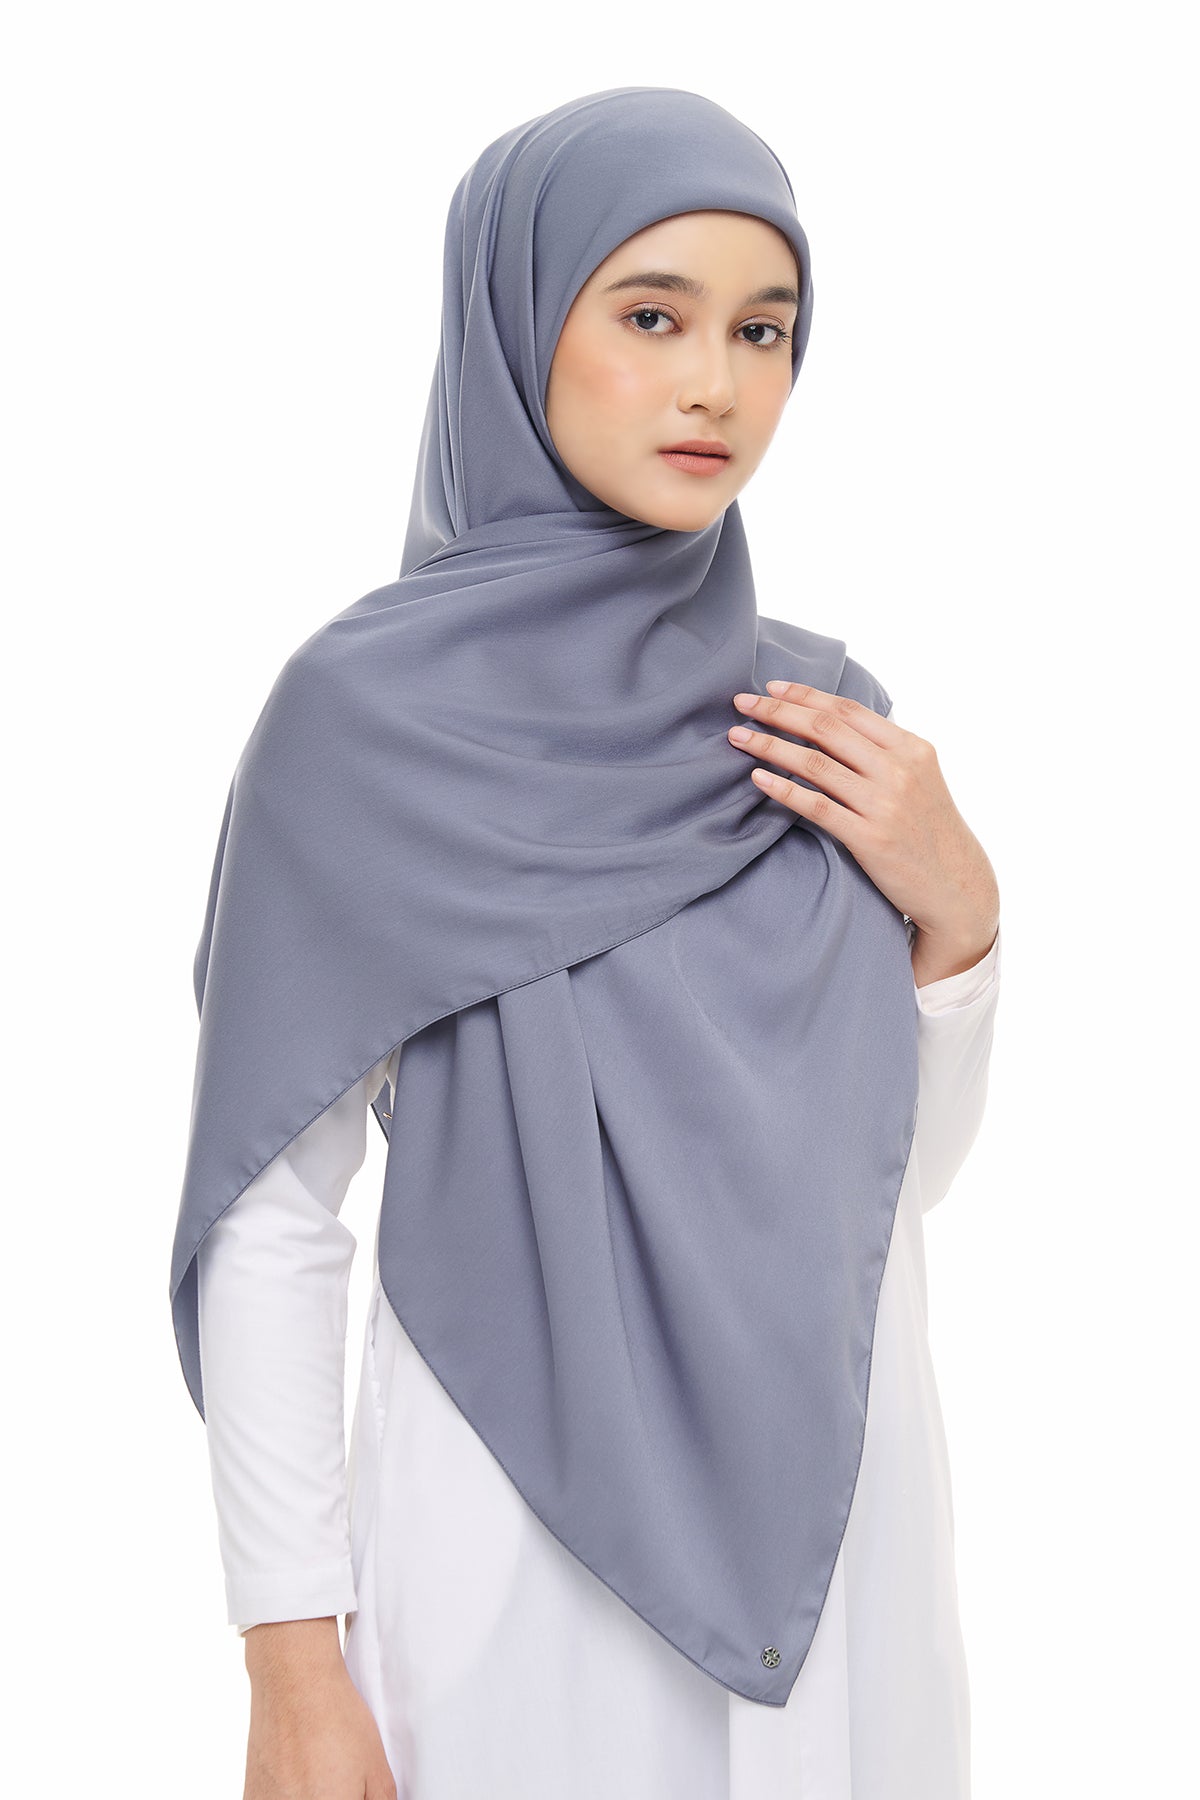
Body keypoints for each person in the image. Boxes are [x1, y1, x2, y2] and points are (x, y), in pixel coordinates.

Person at [174, 88, 1001, 1799]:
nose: (717, 385)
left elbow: (882, 1188)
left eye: (763, 331)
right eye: (651, 316)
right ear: (515, 325)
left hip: (848, 1534)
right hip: (514, 1546)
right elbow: (269, 1216)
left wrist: (960, 920)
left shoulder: (820, 720)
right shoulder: (366, 727)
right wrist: (289, 1666)